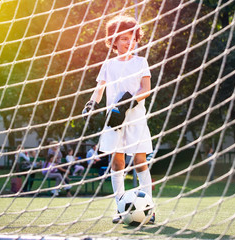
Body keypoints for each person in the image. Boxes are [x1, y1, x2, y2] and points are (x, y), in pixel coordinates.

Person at [82, 15, 154, 224]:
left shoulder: (141, 61)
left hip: (136, 118)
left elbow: (146, 89)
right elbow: (99, 89)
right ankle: (120, 208)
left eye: (132, 38)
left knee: (140, 161)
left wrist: (126, 104)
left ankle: (149, 208)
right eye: (123, 38)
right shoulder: (108, 64)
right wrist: (91, 104)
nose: (128, 42)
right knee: (117, 161)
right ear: (113, 40)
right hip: (114, 120)